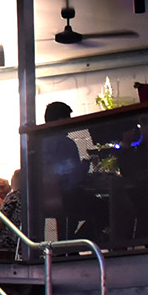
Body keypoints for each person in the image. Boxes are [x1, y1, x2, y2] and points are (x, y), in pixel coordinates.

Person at [36, 101, 89, 240]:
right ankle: (73, 243)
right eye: (68, 119)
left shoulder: (36, 143)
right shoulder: (66, 143)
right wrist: (86, 165)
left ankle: (66, 246)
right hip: (65, 197)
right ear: (60, 120)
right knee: (105, 208)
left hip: (39, 199)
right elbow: (74, 179)